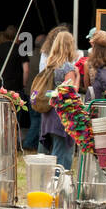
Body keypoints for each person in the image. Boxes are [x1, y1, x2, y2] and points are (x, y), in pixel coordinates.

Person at [38, 30, 80, 170]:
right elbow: (70, 92)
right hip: (62, 116)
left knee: (50, 153)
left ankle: (47, 184)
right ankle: (57, 188)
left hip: (48, 114)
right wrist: (78, 77)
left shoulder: (49, 65)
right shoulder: (67, 67)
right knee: (61, 156)